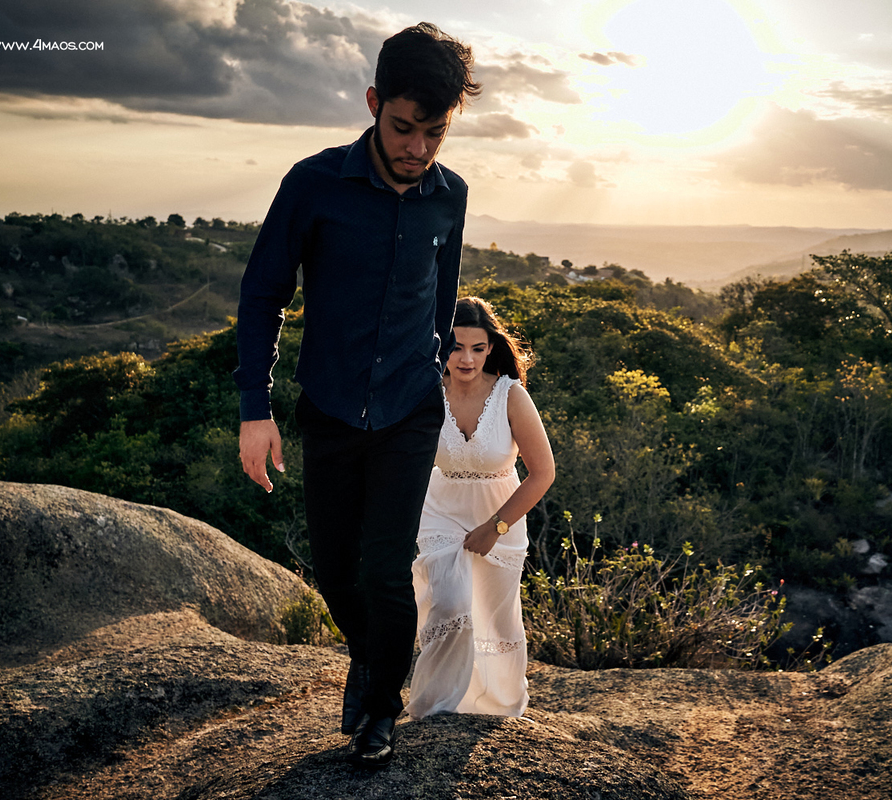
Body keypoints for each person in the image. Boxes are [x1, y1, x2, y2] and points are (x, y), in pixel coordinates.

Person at [234, 23, 480, 768]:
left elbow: (441, 304)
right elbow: (262, 296)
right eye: (403, 128)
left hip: (409, 410)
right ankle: (372, 660)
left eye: (434, 133)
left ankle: (379, 709)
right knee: (337, 572)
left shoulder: (449, 198)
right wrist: (255, 408)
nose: (417, 147)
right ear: (374, 103)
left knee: (383, 567)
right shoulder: (314, 184)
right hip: (332, 411)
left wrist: (442, 382)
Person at [405, 297, 555, 719]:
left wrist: (497, 526)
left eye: (477, 347)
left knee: (495, 619)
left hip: (502, 514)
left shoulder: (511, 395)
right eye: (455, 346)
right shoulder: (426, 391)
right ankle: (435, 706)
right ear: (440, 346)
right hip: (441, 511)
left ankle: (496, 706)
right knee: (450, 604)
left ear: (491, 348)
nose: (466, 358)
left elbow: (542, 472)